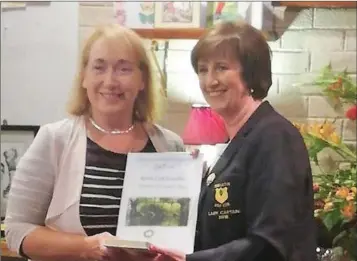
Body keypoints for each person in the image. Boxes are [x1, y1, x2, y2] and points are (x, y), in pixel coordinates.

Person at [5, 24, 186, 261]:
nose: (110, 81)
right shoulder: (54, 140)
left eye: (124, 69)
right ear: (84, 77)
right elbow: (17, 231)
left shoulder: (170, 146)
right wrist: (85, 247)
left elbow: (180, 234)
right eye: (99, 68)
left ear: (142, 80)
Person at [150, 21, 317, 261]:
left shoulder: (275, 137)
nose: (210, 81)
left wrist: (189, 260)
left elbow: (270, 242)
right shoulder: (238, 140)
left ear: (251, 74)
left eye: (221, 68)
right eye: (203, 69)